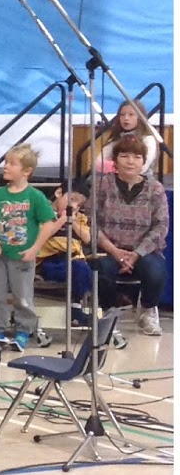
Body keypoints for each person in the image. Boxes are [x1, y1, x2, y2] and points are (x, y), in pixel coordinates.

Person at [0, 144, 60, 349]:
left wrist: (35, 248)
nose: (5, 166)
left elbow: (48, 223)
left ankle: (24, 330)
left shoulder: (35, 196)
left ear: (26, 171)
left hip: (22, 257)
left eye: (12, 164)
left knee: (22, 296)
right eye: (6, 162)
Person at [89, 137, 170, 337]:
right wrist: (114, 251)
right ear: (115, 160)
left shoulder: (155, 188)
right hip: (109, 249)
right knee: (101, 269)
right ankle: (110, 315)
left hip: (143, 251)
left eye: (137, 157)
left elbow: (161, 226)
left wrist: (137, 254)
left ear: (144, 162)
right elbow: (90, 222)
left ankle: (147, 311)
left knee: (156, 271)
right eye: (124, 156)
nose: (130, 161)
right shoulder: (102, 184)